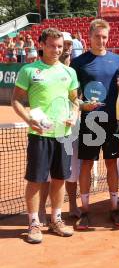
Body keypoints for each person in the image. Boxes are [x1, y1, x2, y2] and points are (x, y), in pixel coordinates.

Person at [11, 27, 78, 244]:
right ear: (42, 45)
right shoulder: (29, 70)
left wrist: (74, 116)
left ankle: (56, 219)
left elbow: (75, 100)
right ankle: (33, 223)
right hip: (38, 134)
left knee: (59, 178)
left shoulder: (70, 72)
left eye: (60, 46)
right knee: (35, 179)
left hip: (63, 135)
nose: (56, 50)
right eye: (52, 46)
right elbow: (17, 100)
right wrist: (29, 119)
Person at [71, 19, 119, 230]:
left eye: (104, 37)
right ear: (90, 36)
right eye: (97, 36)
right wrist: (82, 105)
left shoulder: (116, 60)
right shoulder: (79, 62)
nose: (101, 40)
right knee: (86, 164)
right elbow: (73, 95)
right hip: (89, 121)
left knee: (112, 163)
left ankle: (114, 207)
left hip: (111, 120)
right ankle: (85, 211)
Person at [38, 31, 82, 225]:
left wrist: (76, 113)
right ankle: (40, 210)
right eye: (63, 44)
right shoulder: (41, 69)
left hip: (70, 129)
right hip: (47, 130)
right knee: (45, 173)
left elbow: (76, 99)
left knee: (69, 171)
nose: (66, 48)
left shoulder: (74, 69)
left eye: (68, 45)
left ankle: (72, 205)